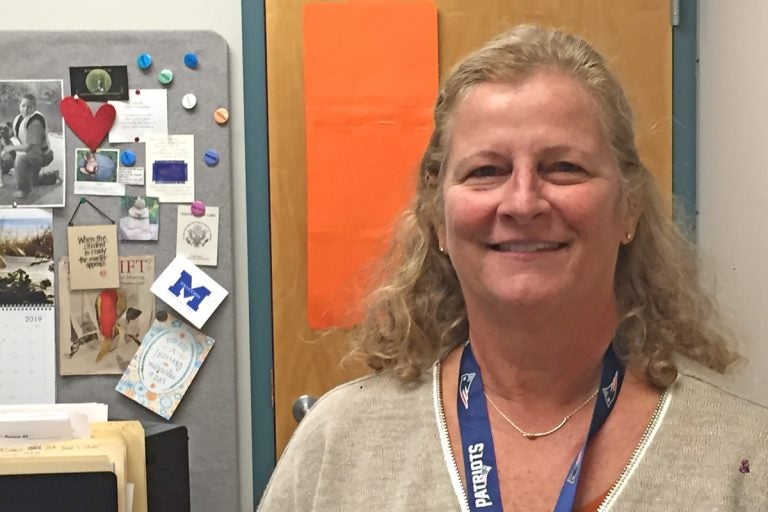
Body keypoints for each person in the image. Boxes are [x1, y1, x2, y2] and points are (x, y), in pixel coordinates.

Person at [258, 25, 768, 511]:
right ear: (438, 218)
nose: (523, 203)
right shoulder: (338, 443)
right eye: (486, 171)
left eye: (563, 167)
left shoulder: (745, 459)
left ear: (629, 206)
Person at [0, 93, 58, 199]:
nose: (26, 109)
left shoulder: (35, 122)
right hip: (33, 154)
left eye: (29, 106)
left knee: (20, 160)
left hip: (43, 155)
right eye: (23, 106)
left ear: (34, 108)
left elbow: (28, 147)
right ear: (19, 105)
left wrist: (9, 148)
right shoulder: (20, 118)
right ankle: (52, 177)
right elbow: (13, 132)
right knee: (32, 181)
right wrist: (3, 134)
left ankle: (23, 191)